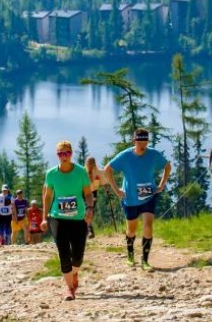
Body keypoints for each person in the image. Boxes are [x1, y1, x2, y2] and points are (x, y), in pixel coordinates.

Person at [102, 128, 172, 272]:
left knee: (148, 225)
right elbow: (107, 169)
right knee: (131, 230)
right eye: (139, 141)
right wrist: (116, 190)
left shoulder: (153, 154)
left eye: (145, 141)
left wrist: (161, 185)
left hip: (148, 196)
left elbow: (167, 166)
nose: (142, 144)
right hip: (130, 198)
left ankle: (145, 261)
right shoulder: (125, 156)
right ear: (134, 141)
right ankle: (130, 254)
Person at [41, 140, 93, 301]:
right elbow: (47, 197)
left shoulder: (81, 172)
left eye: (67, 153)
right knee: (63, 253)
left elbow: (88, 193)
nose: (64, 156)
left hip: (78, 218)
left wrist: (90, 209)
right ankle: (70, 289)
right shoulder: (51, 174)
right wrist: (44, 218)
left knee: (77, 257)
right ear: (57, 155)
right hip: (58, 218)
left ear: (71, 154)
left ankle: (74, 273)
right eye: (61, 154)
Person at [85, 157, 102, 239]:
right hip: (84, 193)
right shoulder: (83, 172)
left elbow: (100, 183)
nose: (90, 165)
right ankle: (88, 230)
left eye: (92, 163)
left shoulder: (97, 172)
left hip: (93, 193)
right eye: (89, 163)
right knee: (85, 212)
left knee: (90, 211)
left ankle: (89, 230)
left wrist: (106, 187)